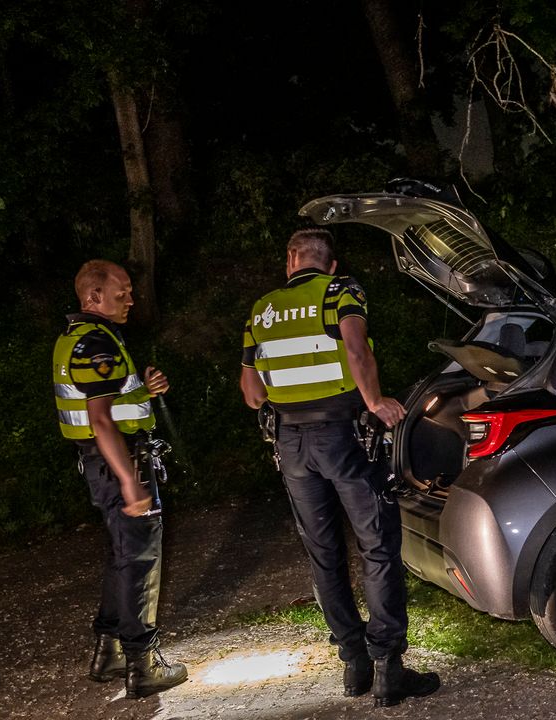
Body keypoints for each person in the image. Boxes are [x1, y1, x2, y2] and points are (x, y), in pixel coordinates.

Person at [239, 228, 439, 707]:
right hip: (343, 435)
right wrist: (374, 400)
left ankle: (354, 665)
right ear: (329, 264)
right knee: (376, 545)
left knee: (323, 553)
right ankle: (389, 667)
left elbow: (252, 393)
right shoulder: (339, 291)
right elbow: (355, 348)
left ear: (290, 261)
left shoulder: (261, 309)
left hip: (292, 443)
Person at [52, 260, 187, 699]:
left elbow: (107, 402)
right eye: (121, 293)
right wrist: (131, 482)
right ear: (93, 297)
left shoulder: (82, 338)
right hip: (118, 460)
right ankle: (143, 664)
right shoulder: (96, 341)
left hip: (102, 462)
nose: (131, 299)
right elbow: (101, 421)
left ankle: (108, 652)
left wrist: (143, 391)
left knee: (122, 556)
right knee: (140, 560)